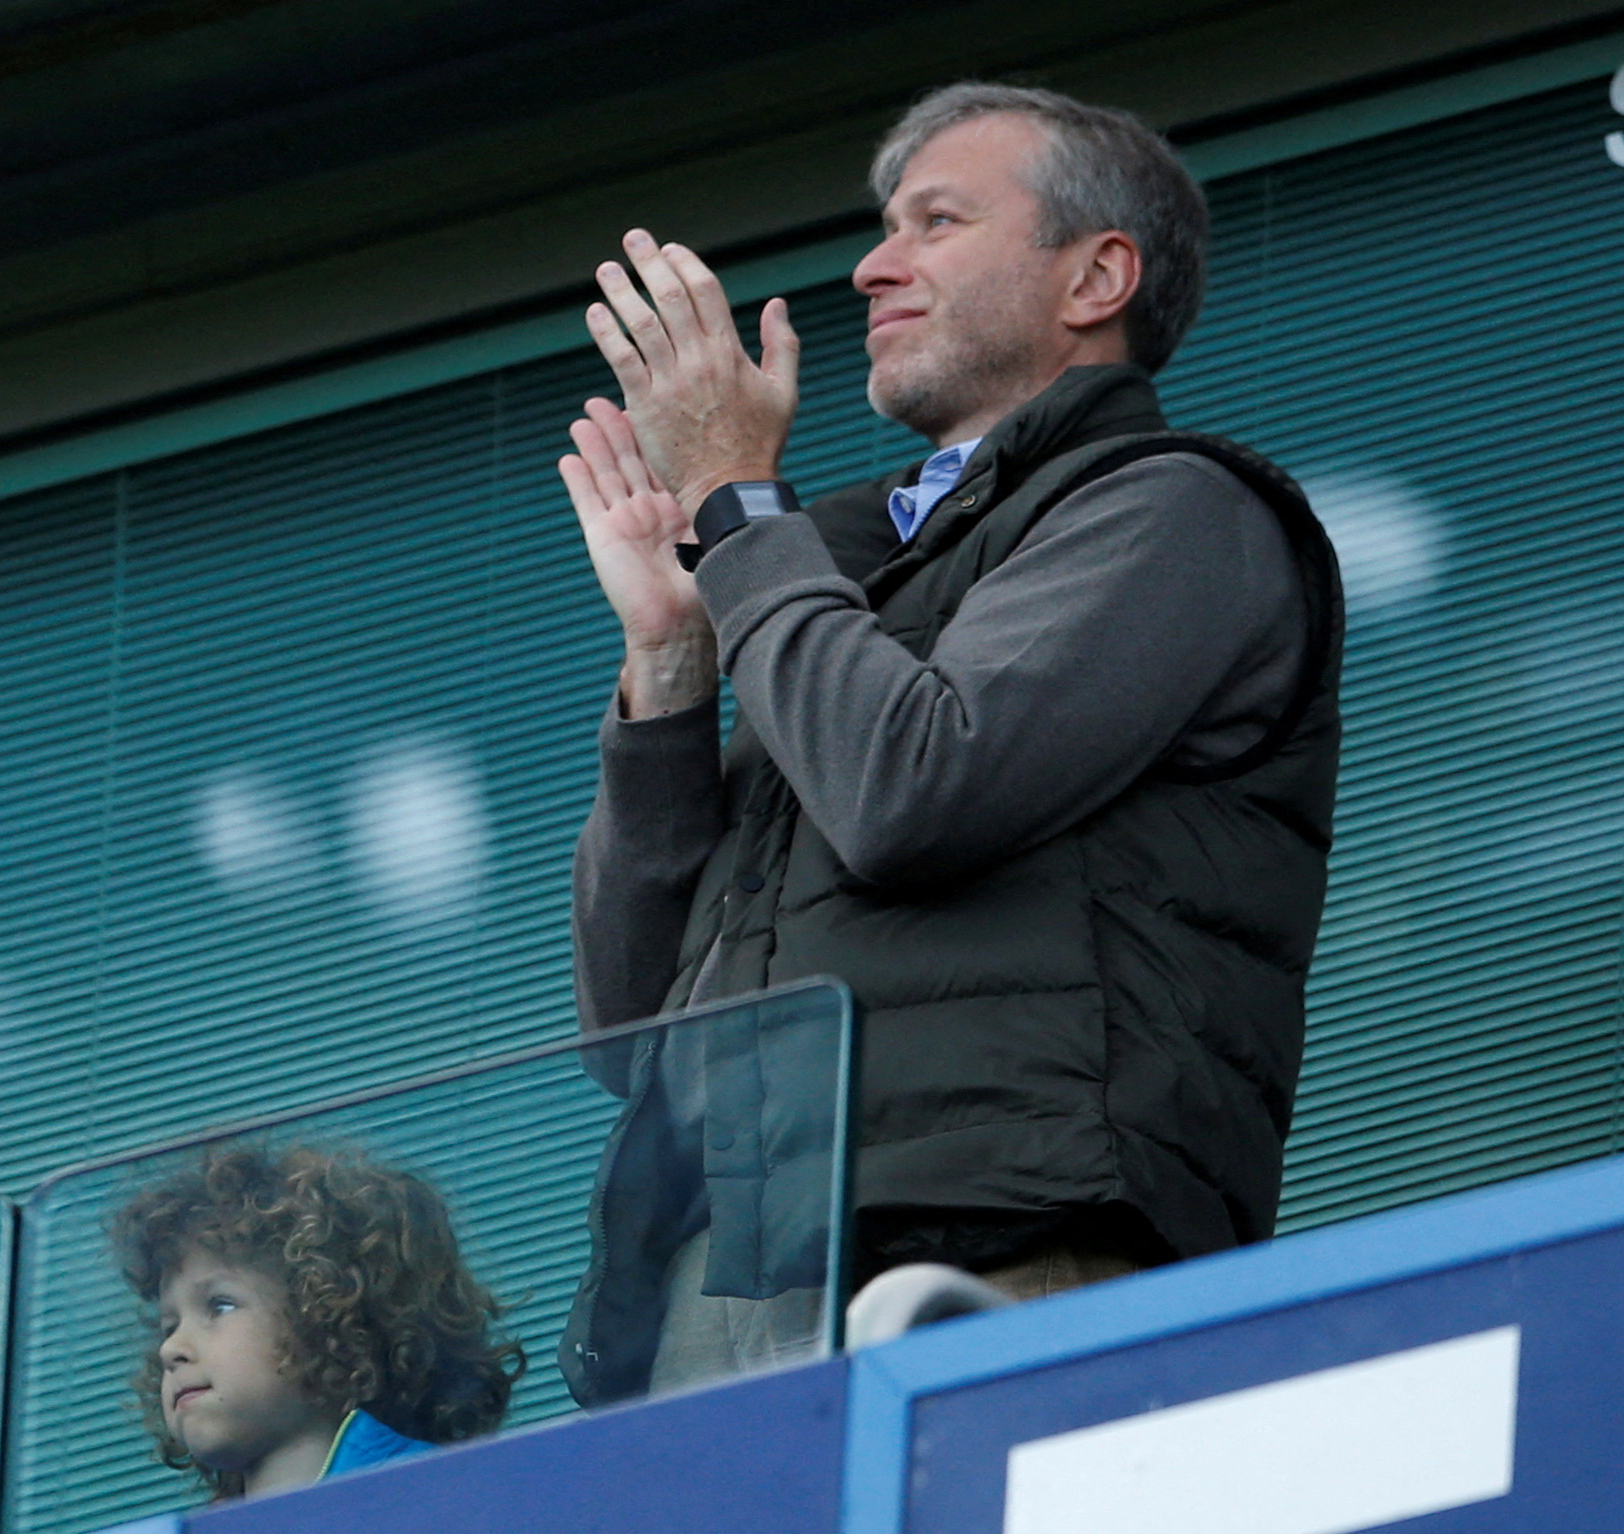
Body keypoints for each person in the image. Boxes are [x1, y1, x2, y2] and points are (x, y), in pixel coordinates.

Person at [555, 82, 1344, 1404]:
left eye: (935, 221)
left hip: (1005, 1244)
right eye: (883, 228)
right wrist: (673, 661)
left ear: (1094, 277)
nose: (872, 266)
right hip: (725, 1283)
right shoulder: (828, 574)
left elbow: (911, 792)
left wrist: (738, 506)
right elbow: (628, 1028)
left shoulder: (1175, 510)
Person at [111, 1143, 523, 1502]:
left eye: (220, 1306)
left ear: (329, 1317)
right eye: (169, 1326)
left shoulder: (438, 1495)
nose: (170, 1348)